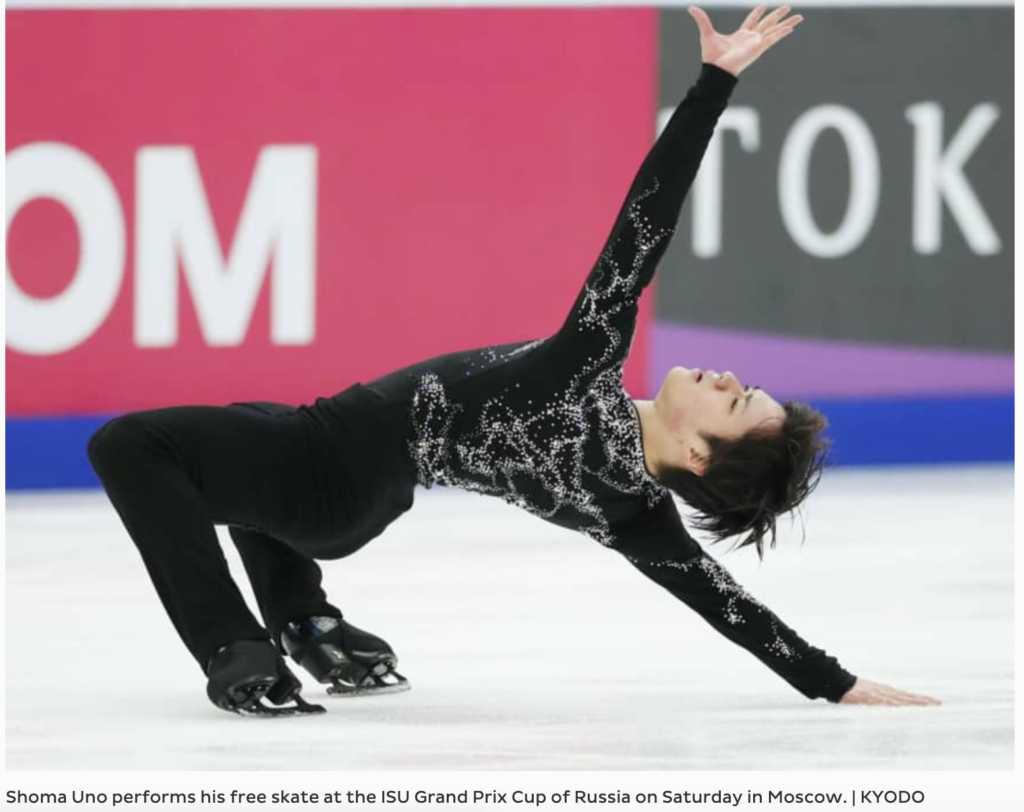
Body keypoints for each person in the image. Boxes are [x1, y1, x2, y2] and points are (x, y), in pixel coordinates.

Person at [88, 4, 940, 715]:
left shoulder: (587, 366)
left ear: (696, 453)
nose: (727, 378)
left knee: (131, 446)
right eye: (745, 384)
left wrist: (715, 84)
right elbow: (729, 608)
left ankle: (236, 649)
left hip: (329, 467)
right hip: (352, 496)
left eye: (735, 401)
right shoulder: (634, 517)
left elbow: (648, 218)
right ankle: (309, 623)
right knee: (246, 431)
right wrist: (831, 683)